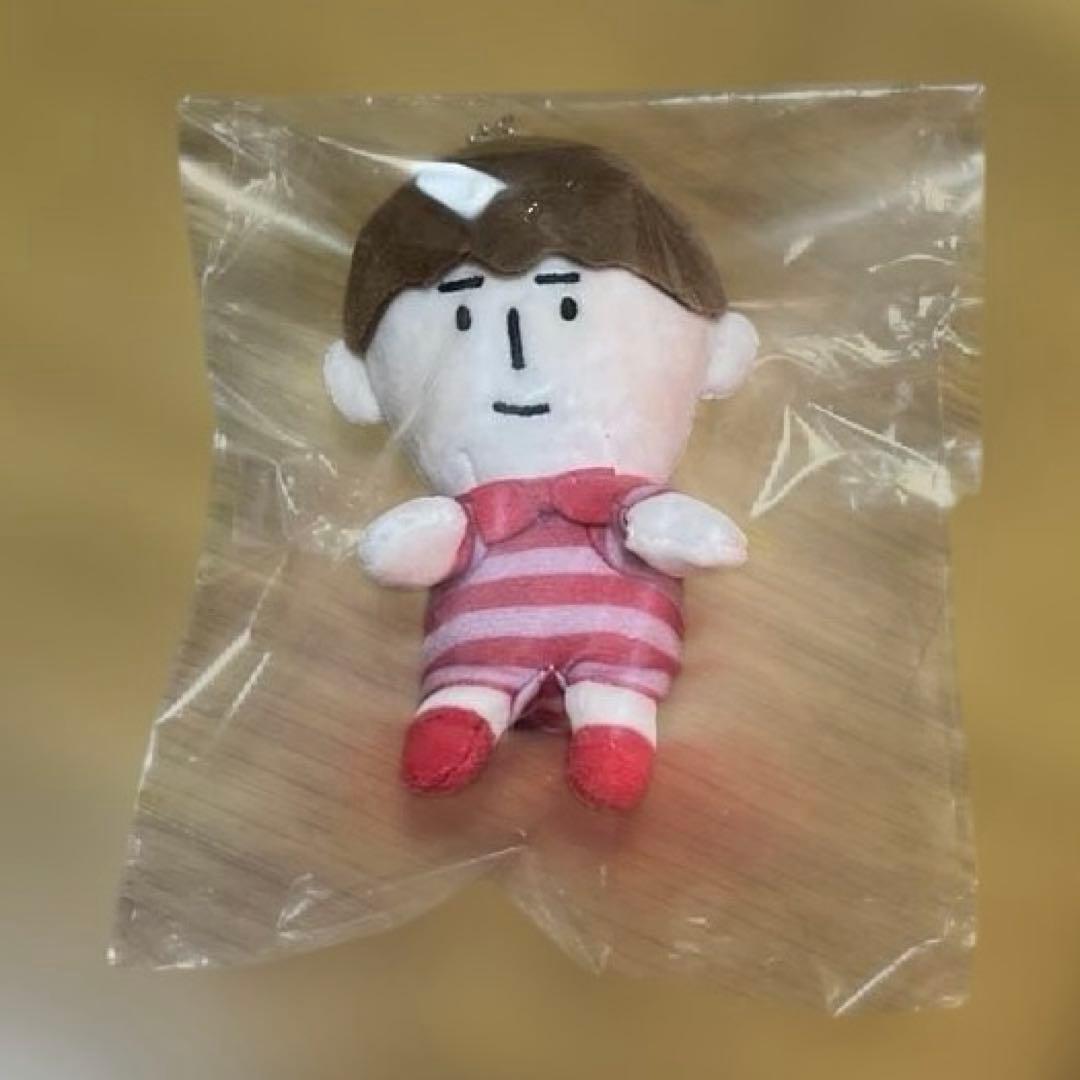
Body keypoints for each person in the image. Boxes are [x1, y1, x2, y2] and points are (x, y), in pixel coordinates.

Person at [325, 138, 758, 810]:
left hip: (618, 652)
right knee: (469, 687)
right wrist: (417, 540)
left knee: (614, 699)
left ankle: (612, 728)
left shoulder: (621, 501)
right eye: (463, 316)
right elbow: (426, 547)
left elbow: (660, 526)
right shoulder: (477, 511)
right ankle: (460, 709)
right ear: (362, 385)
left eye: (566, 306)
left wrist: (675, 526)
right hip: (481, 648)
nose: (518, 351)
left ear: (717, 355)